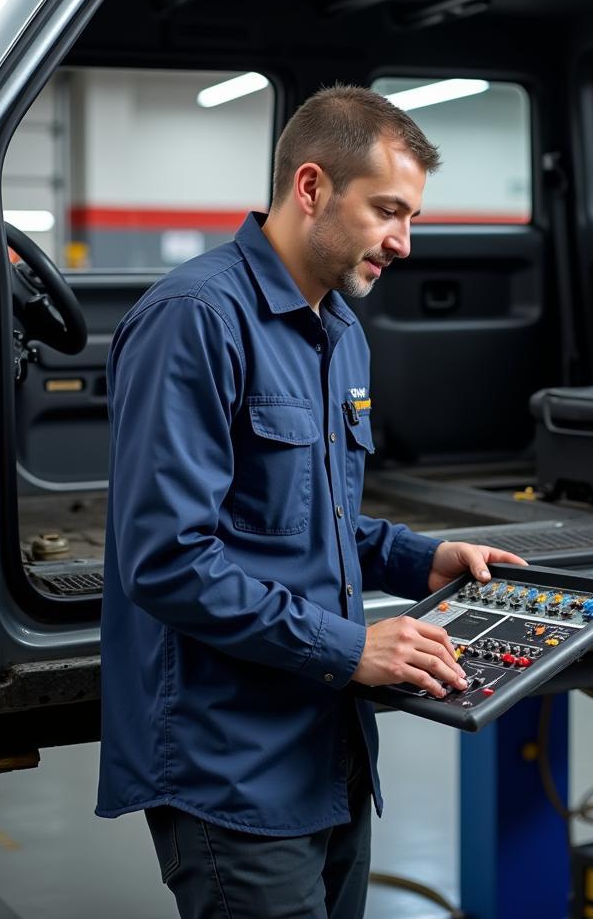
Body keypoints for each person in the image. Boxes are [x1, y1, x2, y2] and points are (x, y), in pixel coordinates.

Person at [96, 84, 526, 919]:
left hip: (329, 752)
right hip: (233, 766)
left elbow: (305, 517)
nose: (403, 243)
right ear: (311, 187)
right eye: (388, 212)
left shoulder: (340, 333)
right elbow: (166, 561)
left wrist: (418, 557)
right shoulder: (195, 319)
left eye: (412, 220)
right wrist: (350, 644)